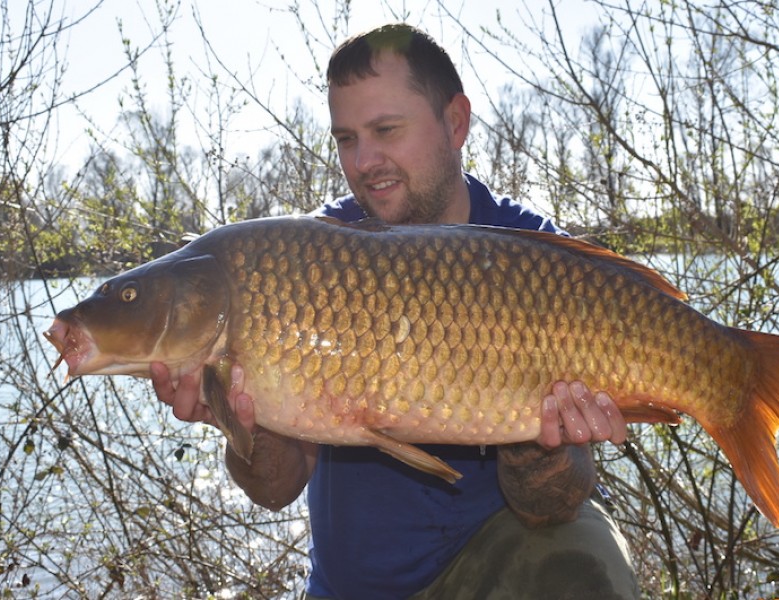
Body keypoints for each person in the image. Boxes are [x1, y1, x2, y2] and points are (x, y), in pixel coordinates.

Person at [150, 23, 638, 600]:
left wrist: (537, 434)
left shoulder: (531, 254)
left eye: (386, 130)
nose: (364, 161)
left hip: (507, 562)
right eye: (346, 138)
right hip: (358, 585)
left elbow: (549, 505)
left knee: (581, 566)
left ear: (455, 122)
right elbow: (274, 489)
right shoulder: (308, 258)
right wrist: (241, 423)